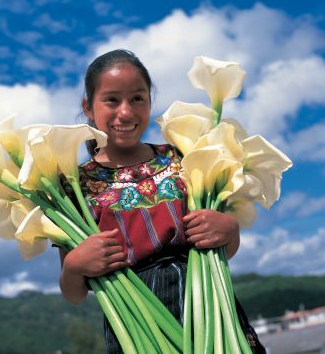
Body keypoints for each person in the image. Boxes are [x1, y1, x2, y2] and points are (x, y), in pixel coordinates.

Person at [59, 49, 265, 353]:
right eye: (112, 100)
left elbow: (220, 250)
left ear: (150, 100)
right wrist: (75, 266)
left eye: (138, 98)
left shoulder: (184, 158)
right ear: (88, 107)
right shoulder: (74, 187)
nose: (126, 112)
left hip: (212, 314)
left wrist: (230, 231)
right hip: (137, 329)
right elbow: (74, 292)